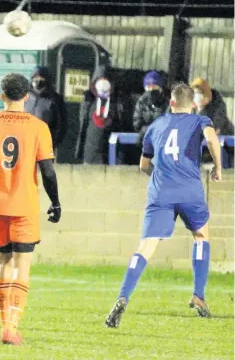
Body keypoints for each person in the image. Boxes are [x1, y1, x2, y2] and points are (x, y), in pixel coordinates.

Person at [105, 83, 222, 328]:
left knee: (145, 247)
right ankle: (198, 296)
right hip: (190, 190)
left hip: (160, 193)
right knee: (201, 236)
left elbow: (144, 165)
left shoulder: (156, 125)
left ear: (170, 103)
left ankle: (123, 296)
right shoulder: (200, 121)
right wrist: (218, 168)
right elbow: (212, 139)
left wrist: (161, 178)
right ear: (193, 104)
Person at [0, 73, 61, 345]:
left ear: (2, 95)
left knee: (4, 261)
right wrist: (56, 202)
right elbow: (48, 171)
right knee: (23, 264)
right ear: (27, 96)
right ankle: (11, 326)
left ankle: (3, 324)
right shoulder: (38, 127)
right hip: (25, 204)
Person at [75, 65, 124, 164]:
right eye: (100, 81)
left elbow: (122, 125)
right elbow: (83, 125)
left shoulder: (117, 101)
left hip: (110, 154)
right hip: (90, 154)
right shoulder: (88, 101)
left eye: (105, 82)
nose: (102, 85)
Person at [24, 66, 67, 150]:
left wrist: (54, 142)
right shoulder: (24, 97)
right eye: (35, 78)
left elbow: (61, 124)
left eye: (41, 78)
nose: (38, 81)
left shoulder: (55, 99)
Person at [133, 71, 170, 145]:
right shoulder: (141, 102)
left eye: (154, 87)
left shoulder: (167, 104)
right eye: (148, 87)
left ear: (160, 89)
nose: (151, 91)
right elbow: (137, 124)